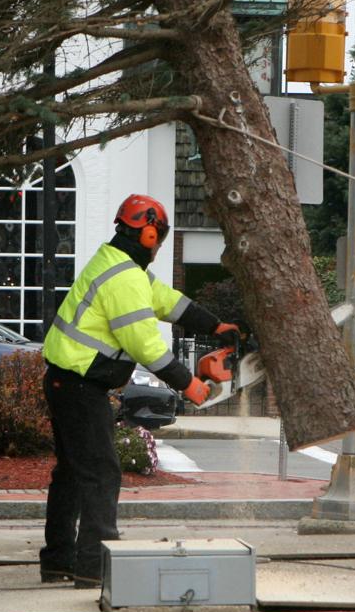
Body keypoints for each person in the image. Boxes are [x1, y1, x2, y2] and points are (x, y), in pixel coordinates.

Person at [40, 193, 242, 588]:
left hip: (68, 381)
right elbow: (144, 345)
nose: (158, 245)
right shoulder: (125, 278)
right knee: (101, 472)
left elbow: (167, 300)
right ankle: (93, 565)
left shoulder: (117, 264)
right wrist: (190, 385)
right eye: (159, 237)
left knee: (73, 473)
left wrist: (214, 325)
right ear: (149, 234)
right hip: (80, 386)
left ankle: (60, 560)